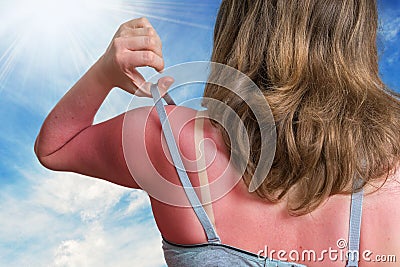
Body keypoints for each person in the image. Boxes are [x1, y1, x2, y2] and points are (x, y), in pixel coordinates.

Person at [35, 0, 400, 266]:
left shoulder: (171, 139)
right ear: (356, 37)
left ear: (236, 27)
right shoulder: (391, 174)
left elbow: (55, 147)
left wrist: (106, 71)